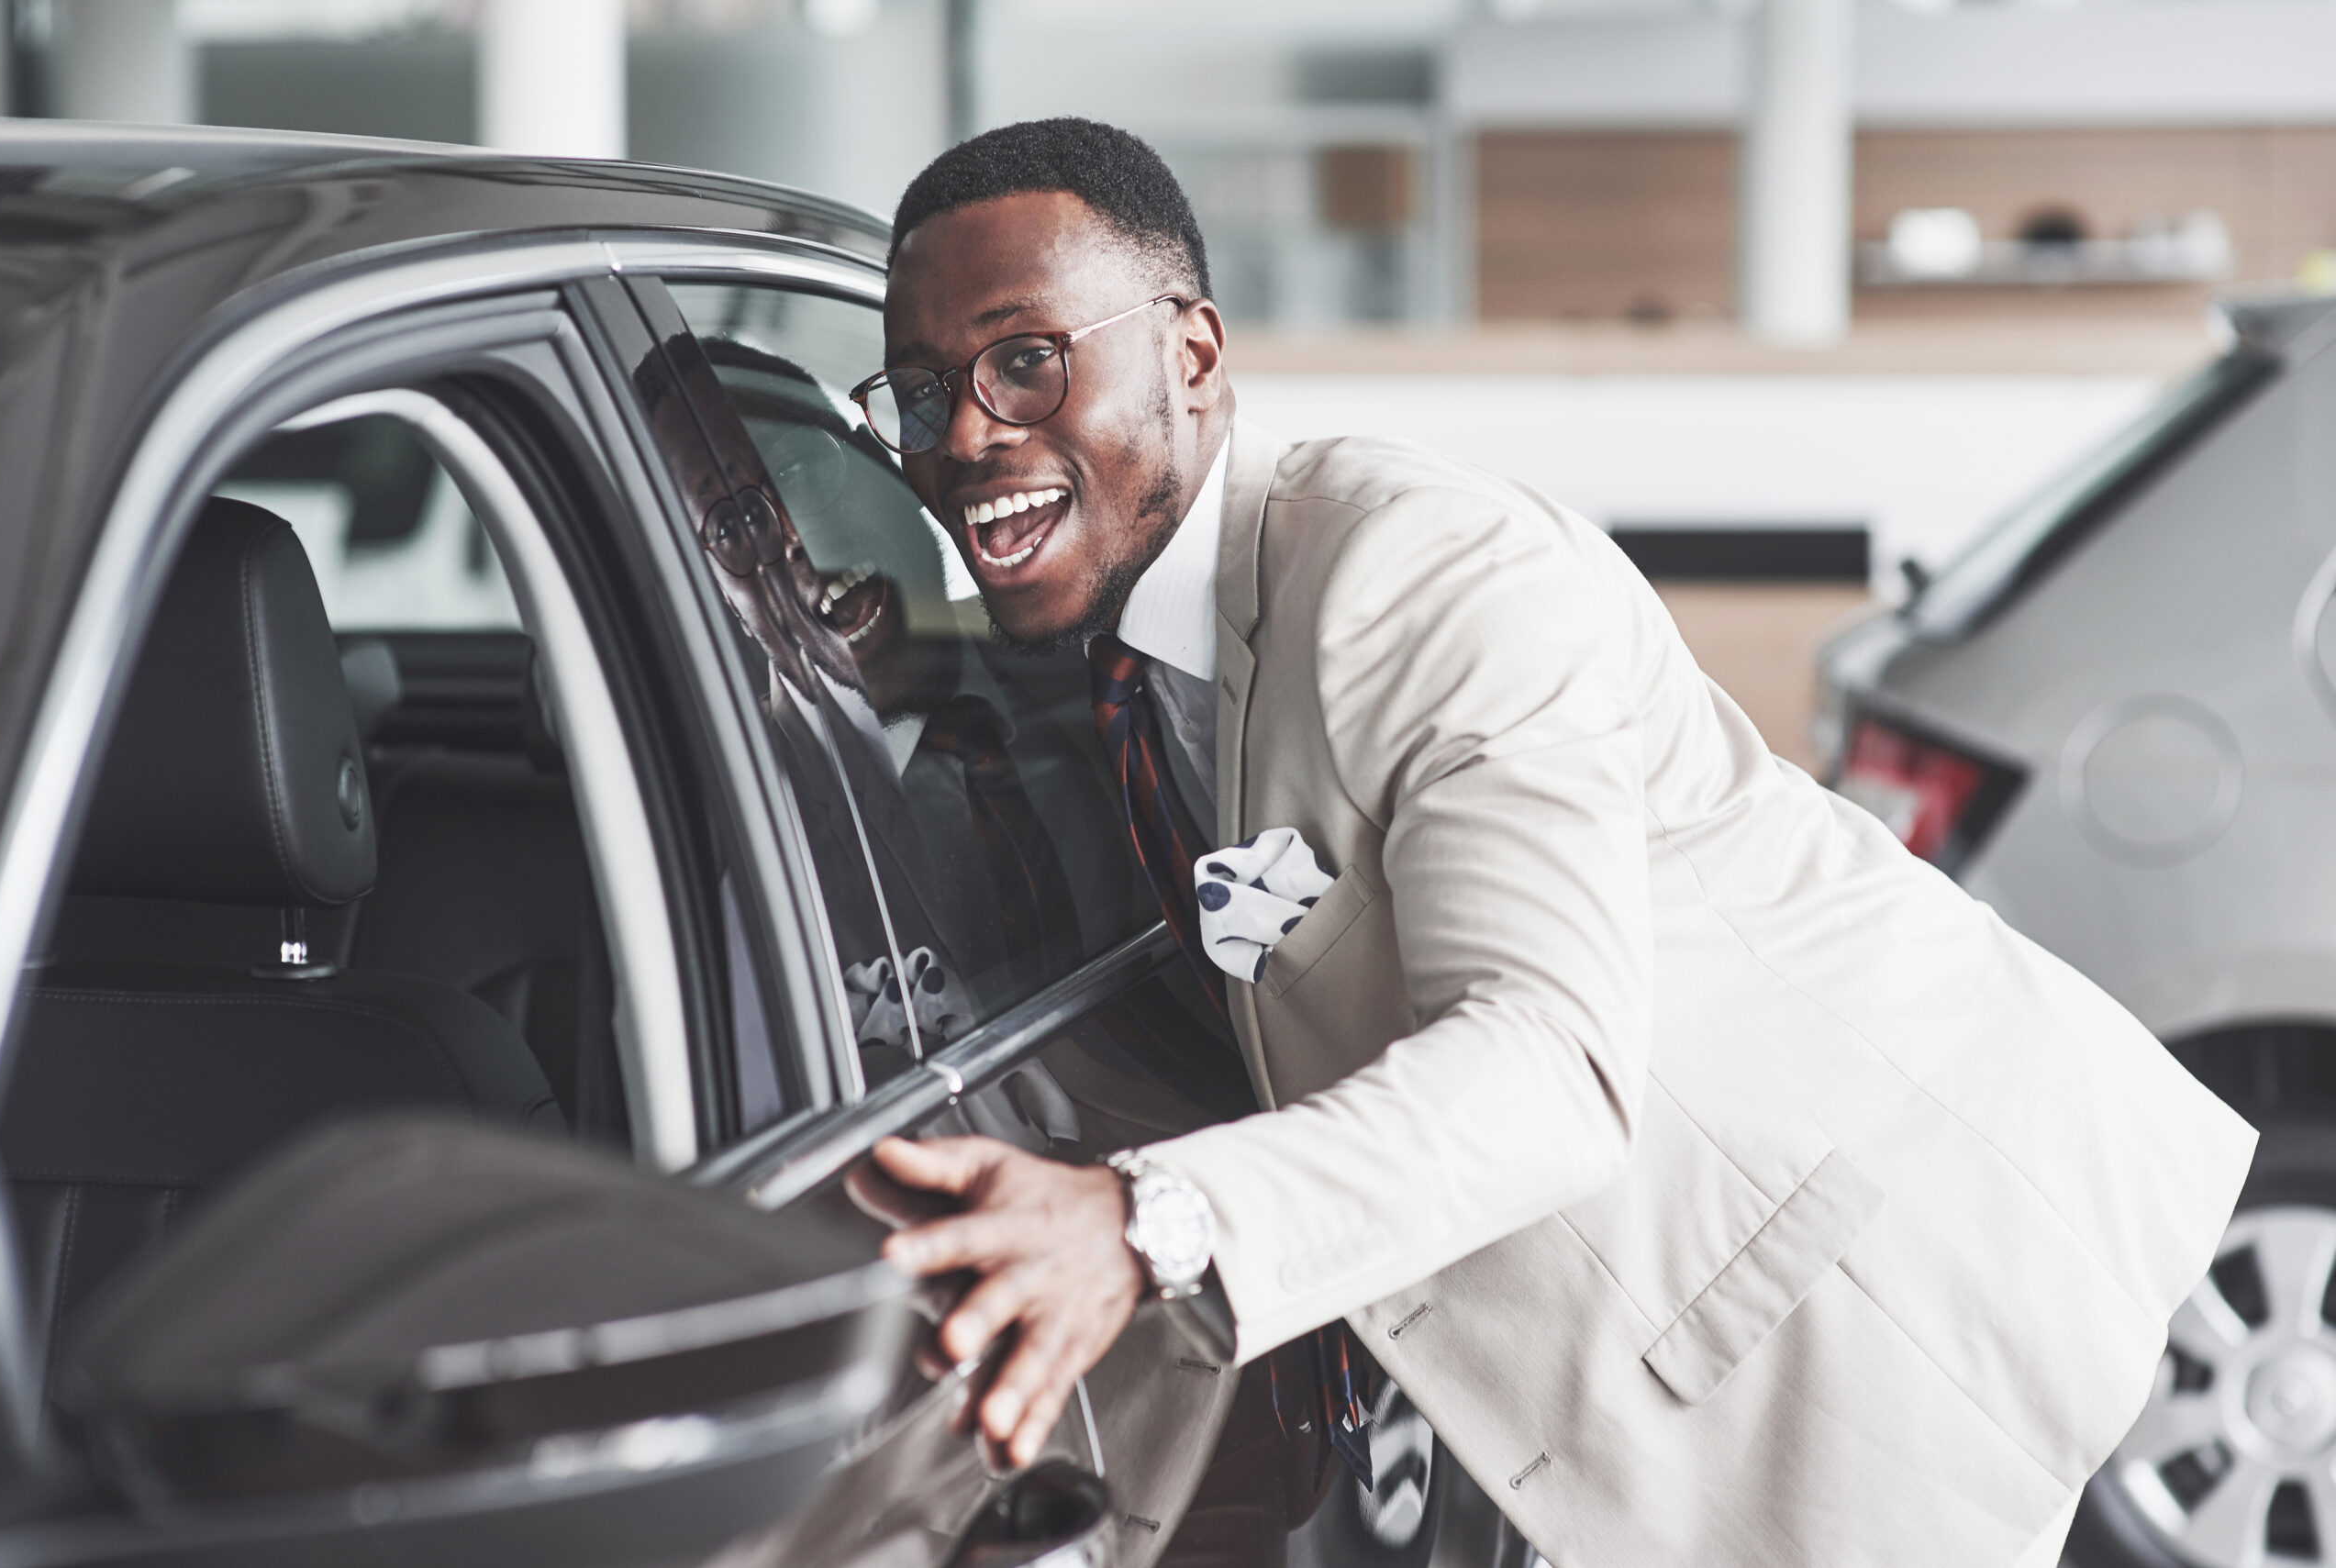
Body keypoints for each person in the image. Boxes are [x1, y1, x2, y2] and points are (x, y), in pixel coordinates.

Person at [854, 117, 2256, 1567]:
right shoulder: (1128, 650)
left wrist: (1143, 1226)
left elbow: (1550, 1065)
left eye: (1027, 358)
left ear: (1194, 355)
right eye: (919, 389)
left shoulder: (1419, 569)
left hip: (1853, 1316)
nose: (963, 434)